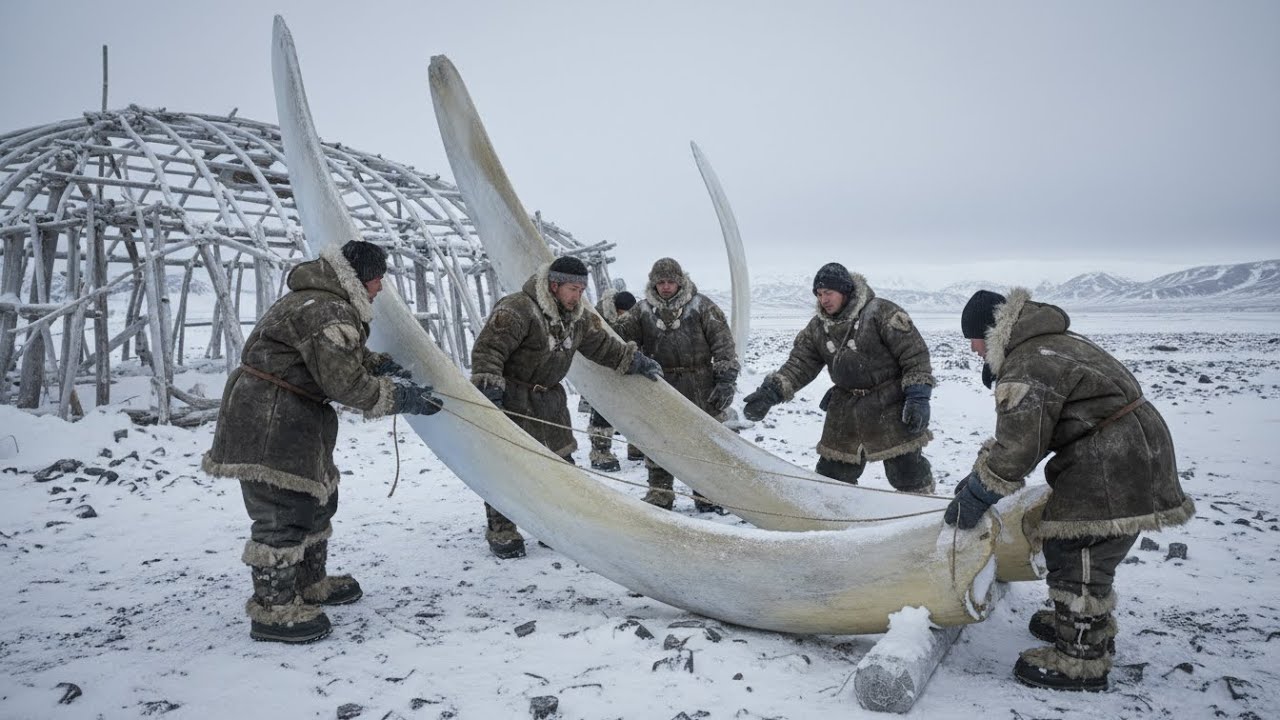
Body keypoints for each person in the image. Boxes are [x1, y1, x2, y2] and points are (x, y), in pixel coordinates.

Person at [945, 288, 1194, 692]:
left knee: (1078, 548)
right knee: (1087, 547)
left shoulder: (1028, 363)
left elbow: (1018, 448)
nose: (972, 349)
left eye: (973, 339)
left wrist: (977, 494)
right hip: (1127, 449)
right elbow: (1037, 431)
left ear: (991, 332)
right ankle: (1082, 624)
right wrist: (981, 476)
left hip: (1112, 459)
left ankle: (1080, 659)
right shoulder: (1047, 344)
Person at [204, 240, 444, 644]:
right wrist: (401, 397)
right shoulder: (326, 311)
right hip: (269, 418)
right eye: (377, 279)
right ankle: (273, 609)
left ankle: (309, 583)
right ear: (359, 278)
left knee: (316, 499)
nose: (380, 288)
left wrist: (380, 365)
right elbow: (345, 383)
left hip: (294, 416)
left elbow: (338, 358)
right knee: (281, 508)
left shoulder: (325, 303)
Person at [470, 256, 663, 558]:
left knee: (560, 464)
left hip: (550, 400)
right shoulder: (517, 309)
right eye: (573, 289)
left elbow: (602, 346)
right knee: (507, 465)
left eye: (582, 290)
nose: (578, 296)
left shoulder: (577, 317)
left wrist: (633, 360)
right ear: (554, 285)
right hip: (513, 398)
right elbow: (488, 350)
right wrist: (489, 388)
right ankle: (502, 530)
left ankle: (555, 523)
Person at [741, 263, 935, 492]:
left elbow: (914, 355)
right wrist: (770, 393)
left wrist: (918, 397)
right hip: (845, 408)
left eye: (828, 293)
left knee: (907, 472)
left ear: (844, 290)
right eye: (819, 294)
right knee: (833, 475)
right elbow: (800, 364)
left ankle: (922, 509)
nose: (823, 300)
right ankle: (833, 510)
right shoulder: (818, 327)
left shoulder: (881, 312)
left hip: (890, 405)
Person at [615, 257, 738, 511]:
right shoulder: (642, 311)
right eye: (660, 282)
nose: (666, 287)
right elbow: (619, 338)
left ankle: (706, 495)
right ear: (653, 283)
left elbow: (723, 343)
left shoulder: (702, 306)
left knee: (703, 441)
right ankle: (660, 493)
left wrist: (726, 380)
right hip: (660, 385)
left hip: (700, 384)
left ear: (680, 282)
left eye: (670, 282)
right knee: (659, 439)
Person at [586, 289, 638, 471]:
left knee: (633, 410)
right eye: (624, 313)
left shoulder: (626, 318)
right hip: (601, 373)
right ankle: (600, 454)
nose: (626, 317)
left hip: (623, 371)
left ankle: (636, 447)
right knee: (602, 413)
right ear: (617, 309)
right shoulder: (598, 318)